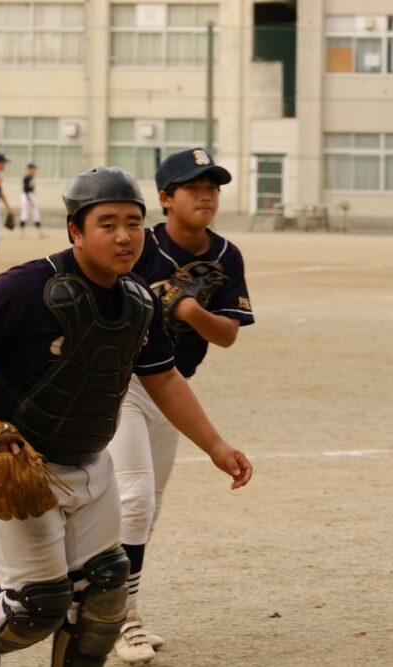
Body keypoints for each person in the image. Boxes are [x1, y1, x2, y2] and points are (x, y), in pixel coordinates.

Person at [0, 166, 253, 667]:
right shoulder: (31, 285)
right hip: (24, 461)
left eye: (133, 222)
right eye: (107, 223)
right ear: (76, 232)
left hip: (89, 460)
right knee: (37, 608)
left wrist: (216, 446)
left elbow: (165, 378)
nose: (124, 236)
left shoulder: (139, 301)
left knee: (106, 594)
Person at [107, 148, 255, 664]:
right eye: (194, 187)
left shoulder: (226, 256)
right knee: (135, 498)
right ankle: (121, 621)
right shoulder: (136, 244)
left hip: (172, 388)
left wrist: (189, 308)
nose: (207, 195)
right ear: (166, 199)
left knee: (148, 510)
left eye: (213, 186)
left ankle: (123, 608)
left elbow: (230, 334)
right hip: (121, 386)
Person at [19, 163, 45, 239]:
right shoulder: (26, 178)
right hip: (27, 196)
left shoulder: (31, 178)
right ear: (29, 169)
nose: (34, 171)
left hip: (30, 196)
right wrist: (30, 201)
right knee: (25, 214)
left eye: (34, 169)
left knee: (36, 214)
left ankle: (40, 233)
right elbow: (26, 190)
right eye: (33, 169)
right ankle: (22, 233)